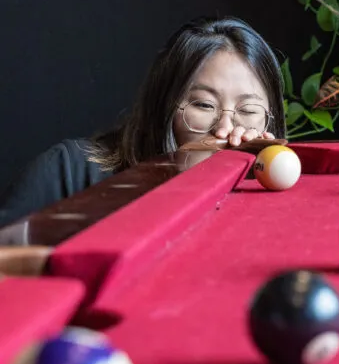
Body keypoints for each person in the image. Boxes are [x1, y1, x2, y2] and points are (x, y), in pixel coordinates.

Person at [0, 16, 287, 228]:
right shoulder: (66, 171)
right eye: (203, 105)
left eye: (248, 110)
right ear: (164, 106)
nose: (225, 129)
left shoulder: (274, 202)